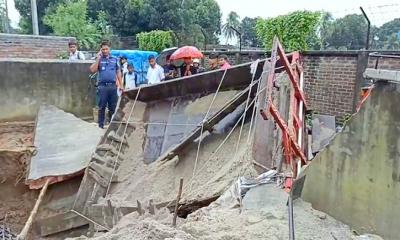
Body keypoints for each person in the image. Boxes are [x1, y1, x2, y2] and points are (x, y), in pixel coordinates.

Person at [90, 40, 122, 129]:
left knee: (113, 107)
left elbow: (118, 72)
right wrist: (98, 58)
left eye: (106, 49)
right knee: (102, 106)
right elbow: (93, 70)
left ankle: (113, 125)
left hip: (113, 86)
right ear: (101, 50)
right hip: (102, 86)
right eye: (103, 49)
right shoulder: (99, 59)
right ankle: (101, 125)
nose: (105, 51)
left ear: (109, 49)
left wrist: (121, 85)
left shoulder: (115, 59)